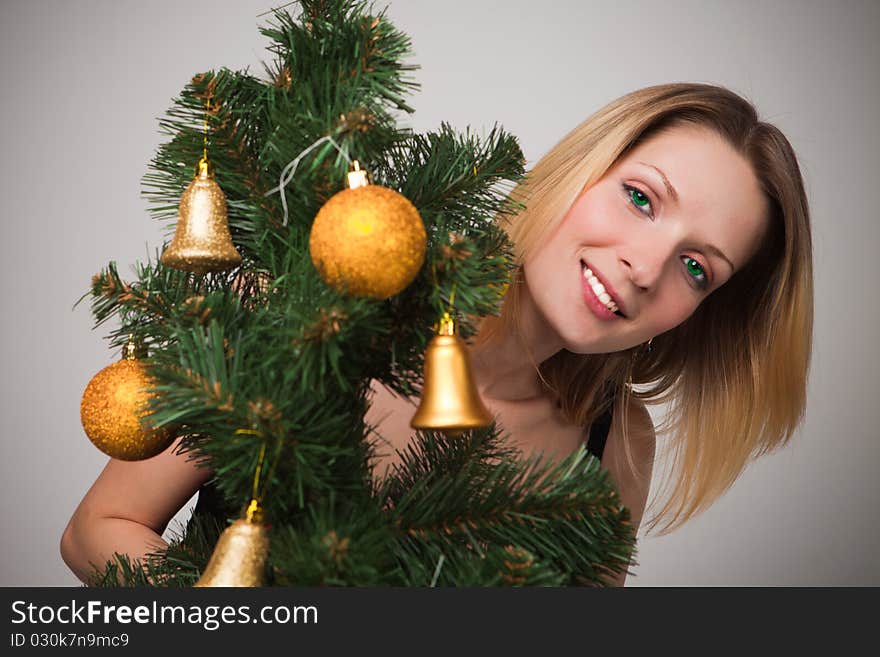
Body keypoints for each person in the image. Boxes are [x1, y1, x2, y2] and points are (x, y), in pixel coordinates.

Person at [61, 82, 813, 587]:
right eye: (641, 198)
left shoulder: (617, 444)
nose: (645, 268)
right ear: (581, 171)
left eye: (695, 266)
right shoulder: (322, 303)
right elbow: (100, 526)